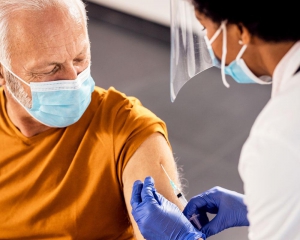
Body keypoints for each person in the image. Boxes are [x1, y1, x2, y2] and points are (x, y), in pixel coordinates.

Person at [0, 0, 184, 239]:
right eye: (50, 70)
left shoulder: (129, 129)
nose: (73, 80)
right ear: (2, 73)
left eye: (79, 59)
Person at [131, 0, 300, 239]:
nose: (208, 41)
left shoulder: (277, 140)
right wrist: (260, 206)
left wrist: (183, 238)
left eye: (205, 28)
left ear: (241, 31)